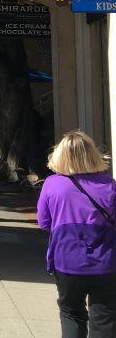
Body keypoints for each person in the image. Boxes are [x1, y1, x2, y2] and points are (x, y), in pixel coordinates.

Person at [37, 130, 116, 338]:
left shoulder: (52, 184)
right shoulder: (109, 185)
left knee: (71, 314)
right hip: (105, 262)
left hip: (66, 259)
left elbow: (44, 222)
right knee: (105, 318)